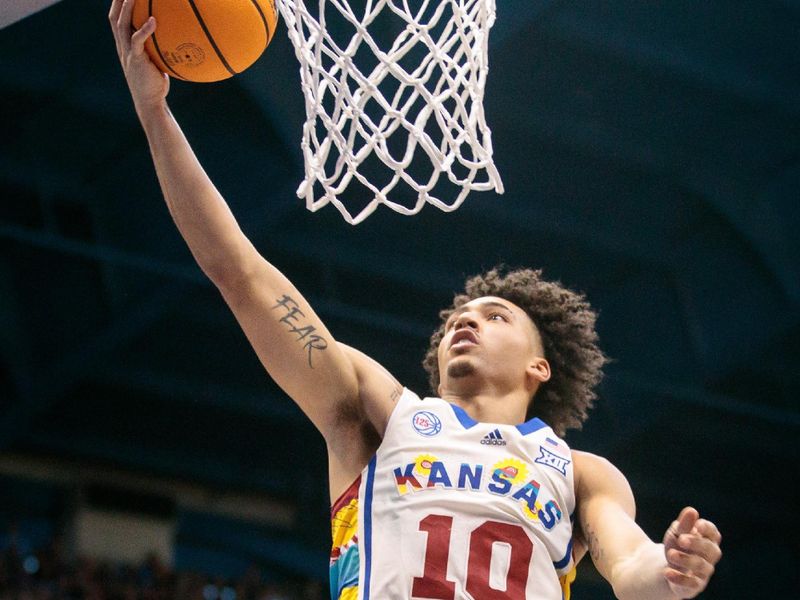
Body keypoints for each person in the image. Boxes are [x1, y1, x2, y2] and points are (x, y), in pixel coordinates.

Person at [108, 1, 723, 598]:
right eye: (460, 316)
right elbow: (238, 273)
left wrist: (672, 571)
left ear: (542, 366)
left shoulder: (581, 472)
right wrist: (155, 113)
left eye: (495, 315)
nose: (467, 321)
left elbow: (634, 567)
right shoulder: (379, 413)